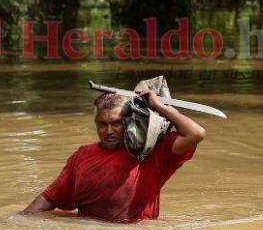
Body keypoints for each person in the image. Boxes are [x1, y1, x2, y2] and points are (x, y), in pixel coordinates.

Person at [21, 89, 206, 222]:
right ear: (95, 123)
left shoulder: (151, 152)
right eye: (102, 124)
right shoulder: (82, 155)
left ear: (129, 122)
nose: (109, 131)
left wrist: (159, 106)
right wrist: (19, 218)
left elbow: (196, 133)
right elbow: (50, 197)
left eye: (116, 123)